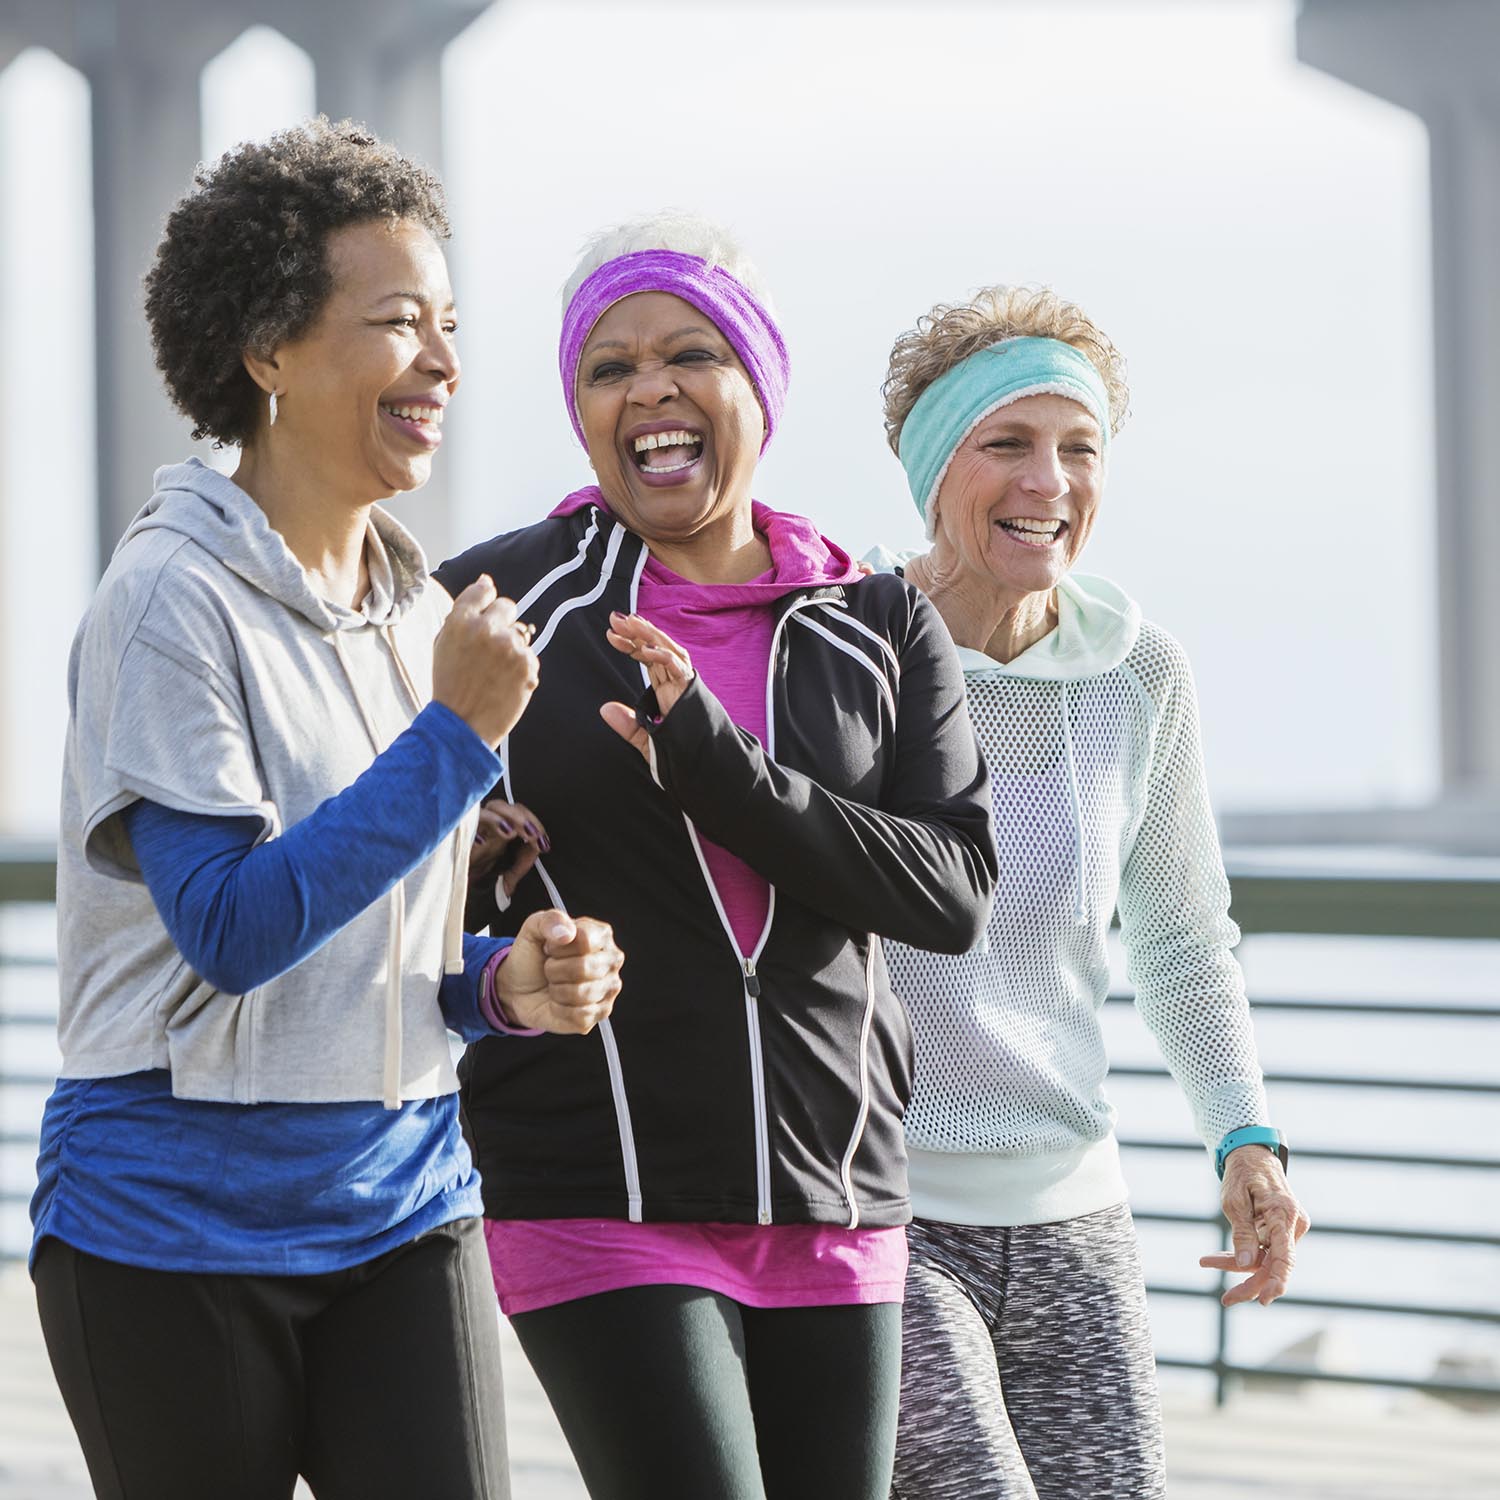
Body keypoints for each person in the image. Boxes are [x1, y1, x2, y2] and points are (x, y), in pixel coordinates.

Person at [30, 119, 623, 1500]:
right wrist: (459, 735)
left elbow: (374, 950)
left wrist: (499, 988)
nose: (446, 365)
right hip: (171, 1236)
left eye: (452, 325)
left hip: (406, 1206)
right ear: (269, 352)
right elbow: (233, 932)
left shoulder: (422, 615)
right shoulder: (166, 603)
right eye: (400, 321)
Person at [435, 212, 998, 1500]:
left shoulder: (879, 619)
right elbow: (396, 882)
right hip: (598, 1188)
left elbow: (952, 892)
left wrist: (716, 767)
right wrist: (469, 867)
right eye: (608, 367)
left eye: (691, 353)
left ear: (761, 385)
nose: (650, 389)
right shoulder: (490, 604)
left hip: (836, 1193)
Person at [869, 287, 1311, 1500]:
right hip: (879, 1208)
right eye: (1006, 443)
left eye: (1079, 448)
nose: (1047, 481)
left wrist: (1245, 1138)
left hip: (1075, 1211)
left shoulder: (1137, 672)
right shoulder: (844, 651)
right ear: (931, 466)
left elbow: (1180, 935)